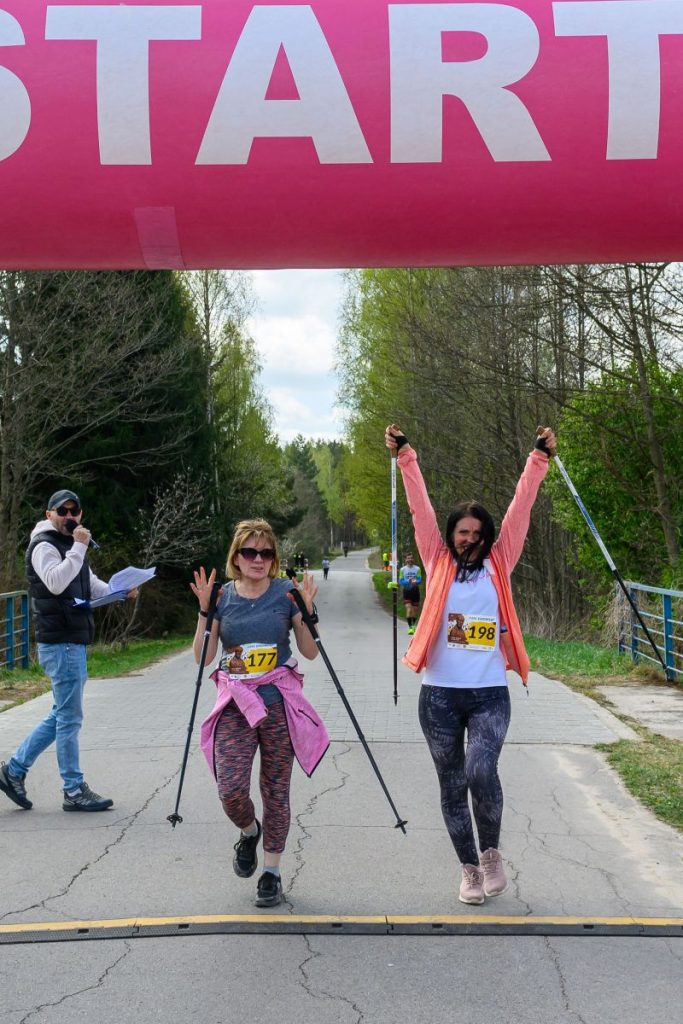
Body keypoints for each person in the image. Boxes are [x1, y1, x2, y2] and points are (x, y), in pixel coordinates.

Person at [384, 424, 556, 906]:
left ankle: (491, 854)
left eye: (478, 534)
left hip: (488, 695)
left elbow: (521, 508)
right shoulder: (436, 559)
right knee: (452, 782)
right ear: (451, 535)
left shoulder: (500, 562)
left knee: (481, 770)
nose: (471, 540)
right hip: (439, 695)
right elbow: (420, 507)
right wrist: (406, 456)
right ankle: (469, 871)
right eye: (463, 533)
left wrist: (538, 459)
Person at [191, 519, 329, 909]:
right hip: (236, 704)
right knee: (231, 789)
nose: (258, 559)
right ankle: (250, 831)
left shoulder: (286, 594)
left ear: (273, 558)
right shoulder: (222, 597)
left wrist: (308, 611)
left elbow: (310, 652)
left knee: (276, 790)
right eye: (250, 552)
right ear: (236, 557)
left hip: (277, 703)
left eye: (266, 553)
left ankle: (272, 873)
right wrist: (204, 611)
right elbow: (203, 658)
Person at [0, 489, 137, 813]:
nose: (69, 516)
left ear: (81, 515)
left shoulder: (72, 546)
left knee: (62, 714)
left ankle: (13, 771)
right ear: (49, 514)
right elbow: (56, 582)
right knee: (69, 718)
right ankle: (73, 789)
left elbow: (91, 585)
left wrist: (120, 591)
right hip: (59, 641)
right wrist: (79, 547)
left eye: (74, 511)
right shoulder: (44, 545)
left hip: (72, 640)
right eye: (62, 511)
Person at [399, 552, 422, 634]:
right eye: (408, 558)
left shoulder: (417, 569)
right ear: (405, 560)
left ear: (413, 559)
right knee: (409, 609)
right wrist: (408, 581)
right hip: (407, 591)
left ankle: (413, 625)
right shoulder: (402, 569)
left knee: (415, 610)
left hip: (415, 591)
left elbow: (420, 580)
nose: (410, 560)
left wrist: (416, 581)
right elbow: (401, 581)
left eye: (411, 558)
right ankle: (410, 627)